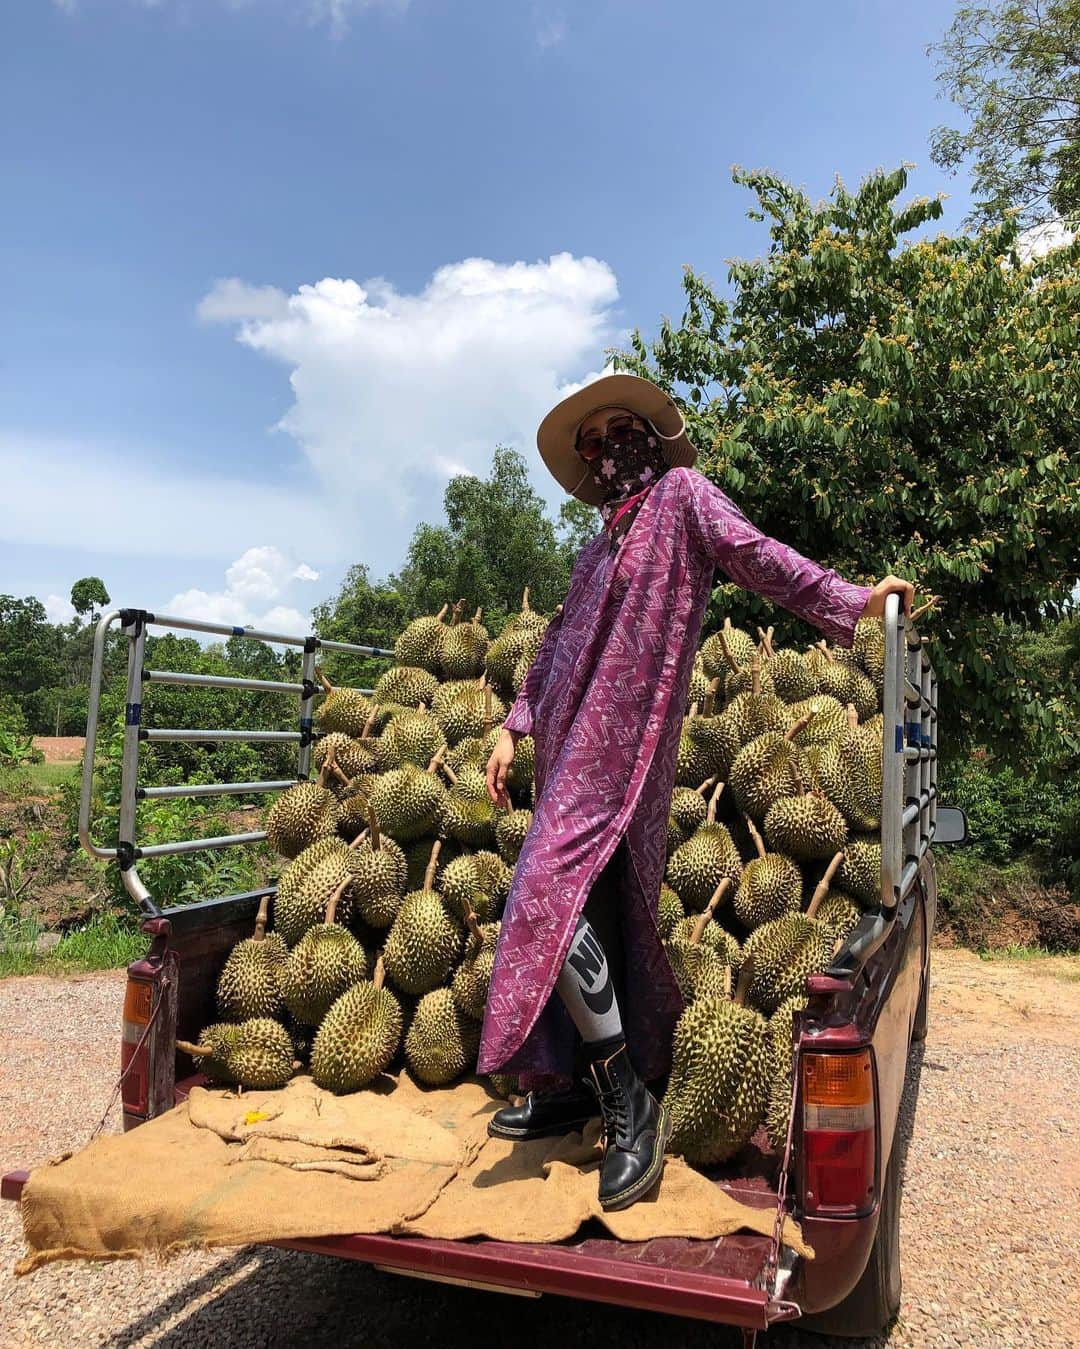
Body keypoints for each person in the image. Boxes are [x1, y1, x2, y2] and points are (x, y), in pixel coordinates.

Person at [479, 373, 915, 1212]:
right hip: (569, 749)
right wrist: (514, 724)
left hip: (629, 747)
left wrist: (854, 600)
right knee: (591, 909)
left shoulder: (683, 497)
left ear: (651, 433)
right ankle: (572, 1083)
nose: (607, 448)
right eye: (592, 442)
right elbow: (556, 647)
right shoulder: (595, 547)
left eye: (619, 430)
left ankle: (627, 1099)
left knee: (544, 902)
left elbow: (757, 557)